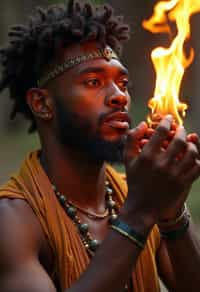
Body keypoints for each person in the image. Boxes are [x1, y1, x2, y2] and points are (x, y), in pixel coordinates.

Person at [0, 0, 200, 291]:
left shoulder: (134, 193)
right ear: (42, 103)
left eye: (123, 82)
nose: (119, 95)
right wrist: (140, 211)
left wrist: (171, 211)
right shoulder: (12, 221)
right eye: (94, 82)